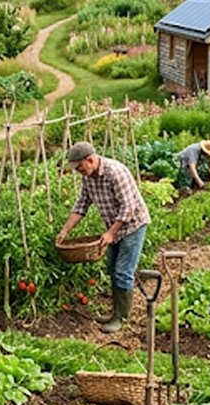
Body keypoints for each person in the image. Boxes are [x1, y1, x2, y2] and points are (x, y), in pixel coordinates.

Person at [56, 141, 151, 333]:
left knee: (123, 272)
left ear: (90, 160)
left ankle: (121, 319)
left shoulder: (115, 172)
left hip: (132, 226)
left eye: (79, 167)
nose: (78, 172)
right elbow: (82, 205)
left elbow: (128, 208)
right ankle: (115, 312)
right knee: (112, 269)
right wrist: (65, 230)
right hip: (114, 228)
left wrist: (110, 233)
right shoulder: (88, 177)